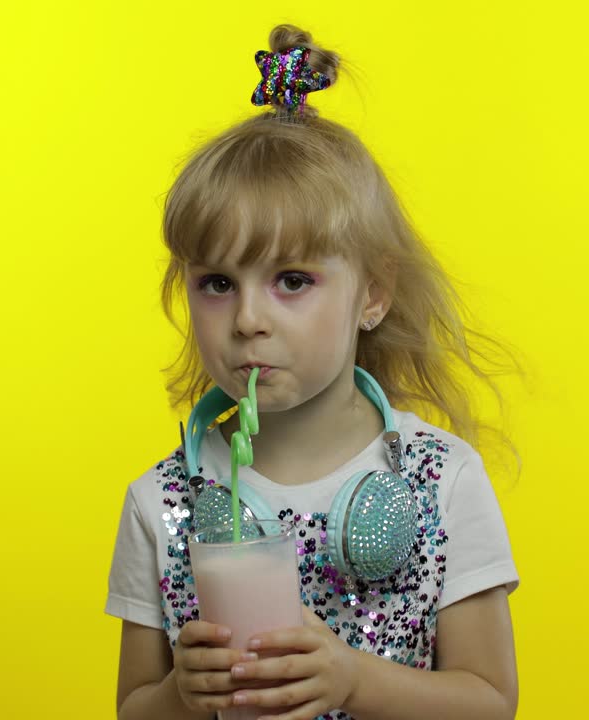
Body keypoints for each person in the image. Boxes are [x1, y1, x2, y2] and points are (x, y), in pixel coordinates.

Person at [106, 23, 520, 720]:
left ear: (373, 294)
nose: (247, 319)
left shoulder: (444, 480)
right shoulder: (161, 503)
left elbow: (490, 703)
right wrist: (179, 696)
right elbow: (132, 711)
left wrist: (356, 680)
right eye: (217, 283)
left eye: (292, 280)